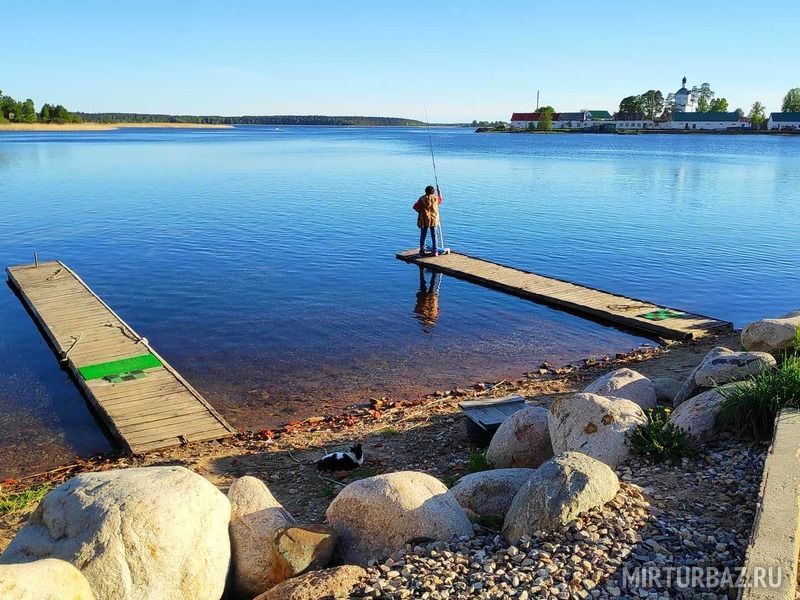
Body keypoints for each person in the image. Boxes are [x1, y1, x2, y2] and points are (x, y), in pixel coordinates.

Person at [413, 185, 442, 256]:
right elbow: (440, 200)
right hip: (434, 219)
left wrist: (421, 212)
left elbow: (415, 207)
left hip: (424, 219)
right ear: (433, 192)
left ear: (425, 191)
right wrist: (439, 191)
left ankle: (422, 250)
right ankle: (435, 251)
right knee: (434, 235)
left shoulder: (422, 198)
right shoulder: (436, 198)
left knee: (423, 235)